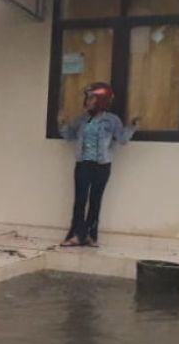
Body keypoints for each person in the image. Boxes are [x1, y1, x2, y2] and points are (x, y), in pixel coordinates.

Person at [57, 82, 138, 247]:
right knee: (80, 200)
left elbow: (122, 139)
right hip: (83, 164)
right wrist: (62, 124)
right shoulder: (81, 119)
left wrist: (132, 126)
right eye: (87, 97)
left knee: (95, 200)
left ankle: (91, 236)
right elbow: (70, 136)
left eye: (91, 98)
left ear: (102, 100)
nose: (87, 101)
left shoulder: (112, 120)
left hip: (102, 165)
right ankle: (76, 235)